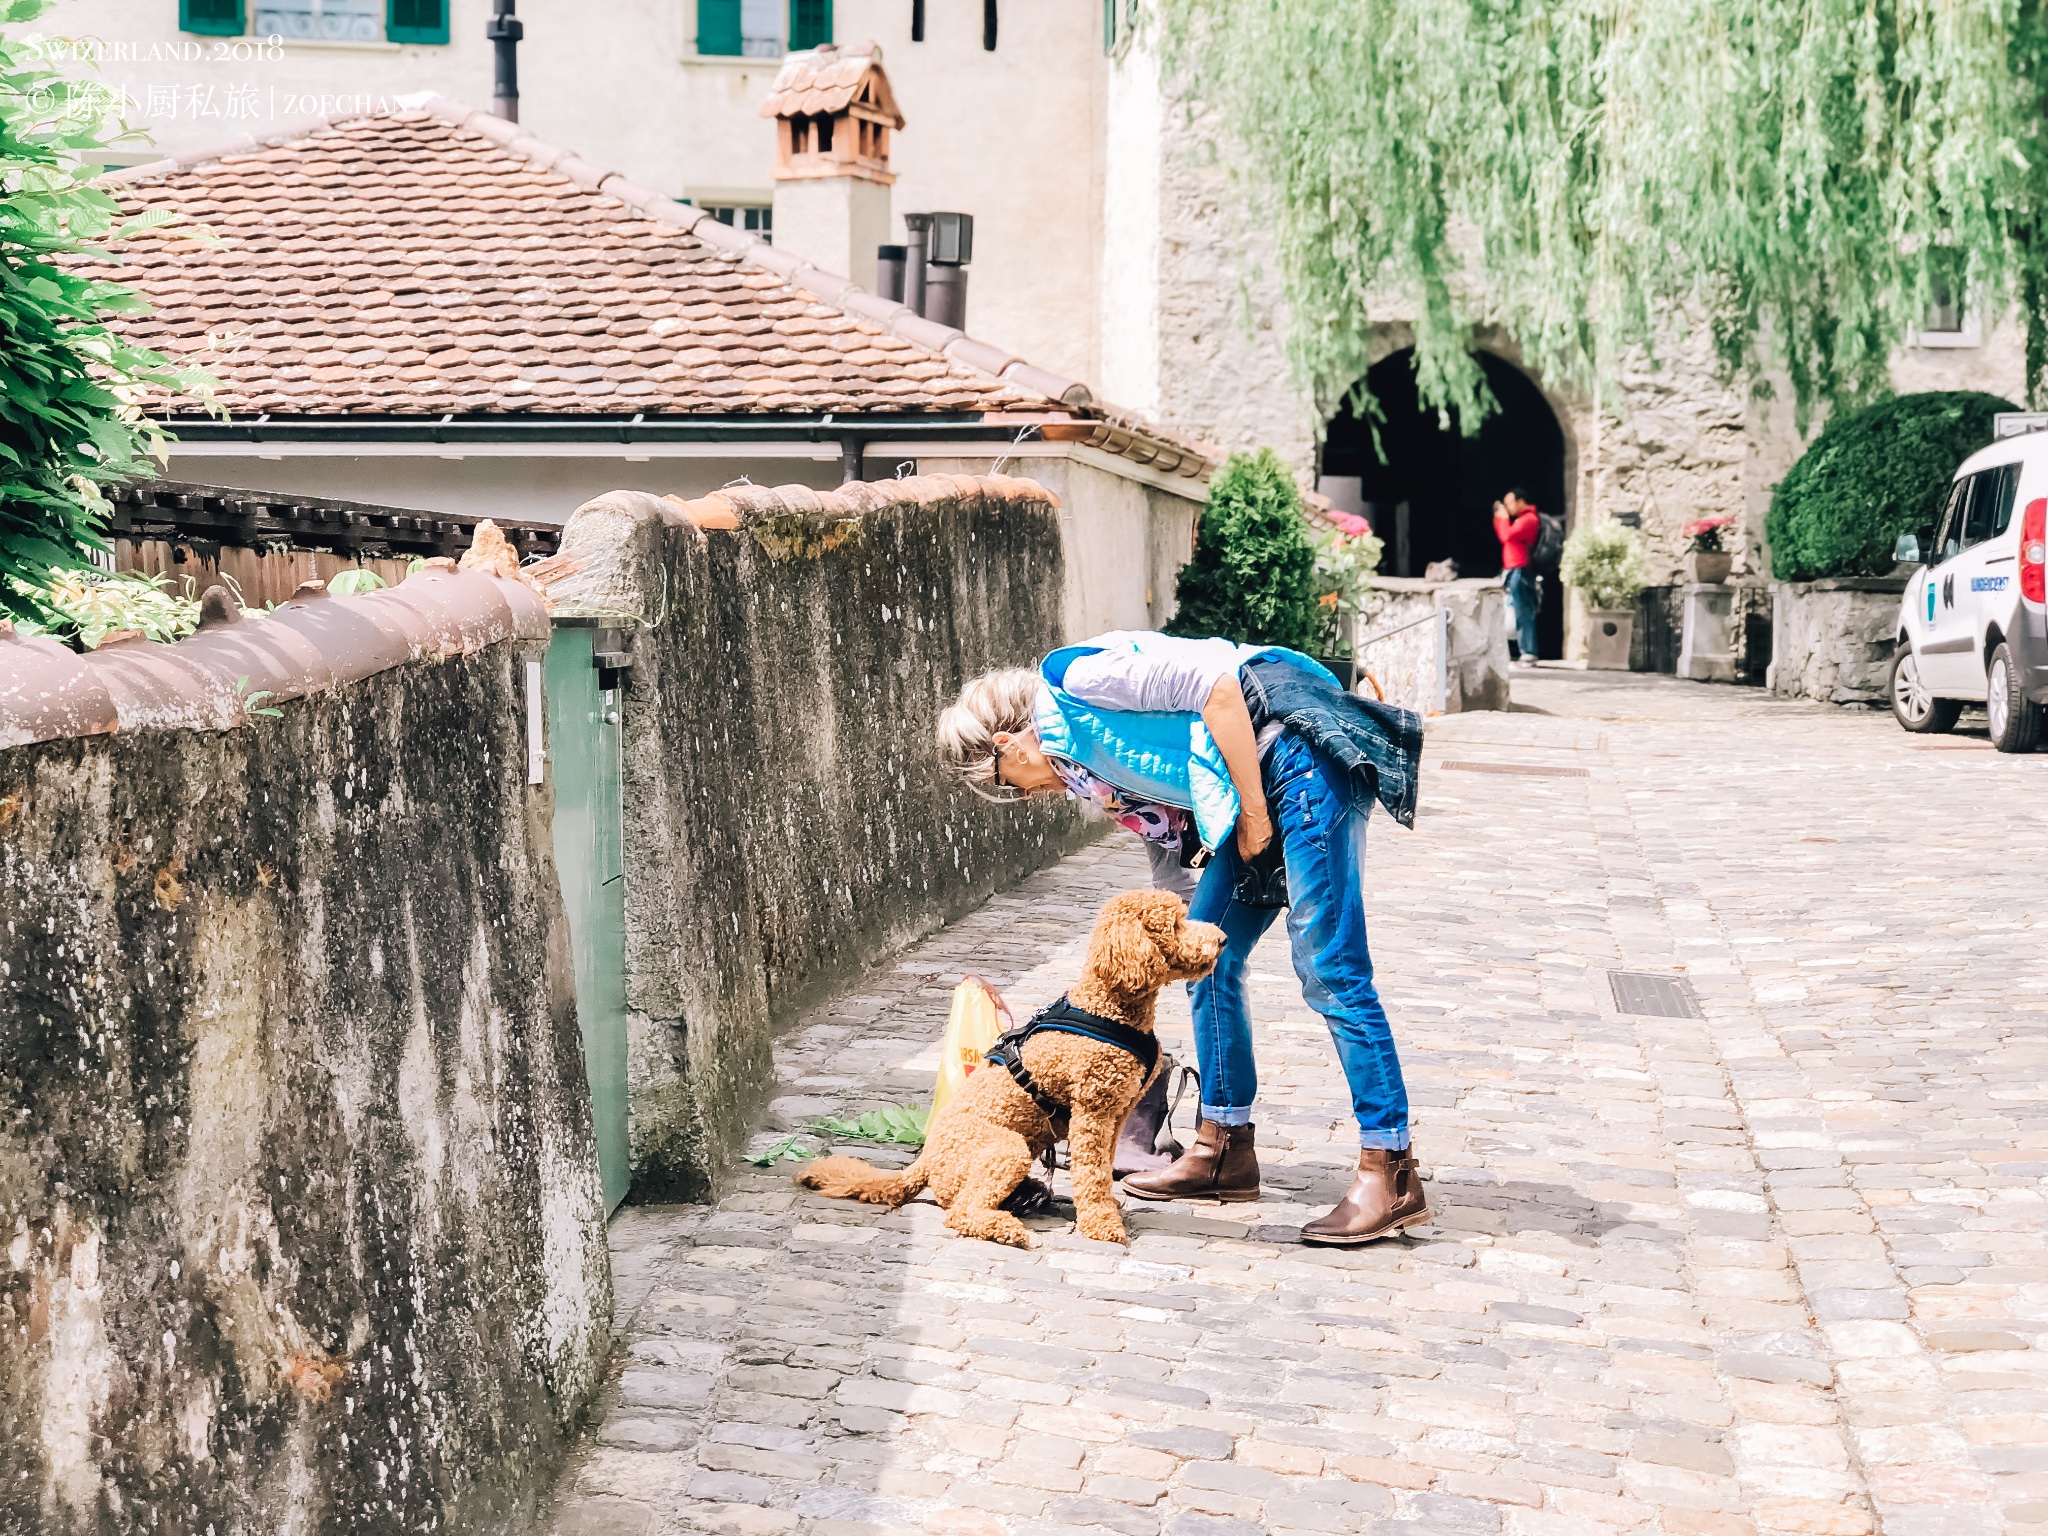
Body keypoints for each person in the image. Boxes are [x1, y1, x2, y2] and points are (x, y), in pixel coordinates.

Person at [935, 633, 1429, 1245]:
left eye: (1008, 783)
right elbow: (1174, 874)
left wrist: (1252, 813)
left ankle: (1391, 1169)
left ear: (1005, 744)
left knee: (1332, 970)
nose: (1023, 795)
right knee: (1209, 960)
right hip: (1252, 785)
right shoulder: (1094, 772)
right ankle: (1224, 1149)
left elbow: (1220, 688)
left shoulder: (1080, 683)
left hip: (1298, 759)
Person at [1493, 487, 1541, 666]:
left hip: (1521, 569)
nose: (1508, 507)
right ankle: (1523, 651)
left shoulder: (1529, 519)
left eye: (1509, 503)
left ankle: (1528, 653)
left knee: (1523, 612)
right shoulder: (1521, 520)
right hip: (1513, 569)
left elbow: (1506, 536)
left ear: (1521, 501)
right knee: (1514, 610)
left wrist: (1503, 519)